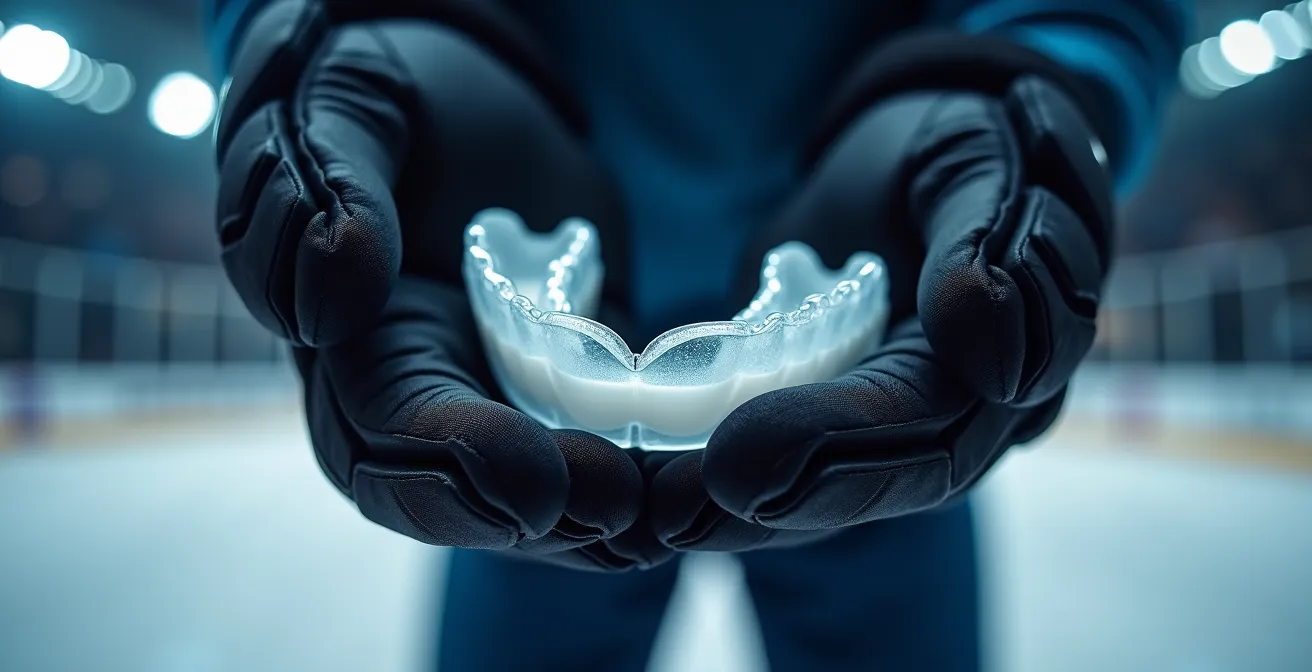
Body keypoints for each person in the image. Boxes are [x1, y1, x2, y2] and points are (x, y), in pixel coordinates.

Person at [206, 1, 1189, 669]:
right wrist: (350, 27)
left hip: (894, 350)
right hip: (515, 412)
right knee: (506, 497)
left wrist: (1036, 80)